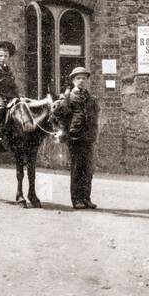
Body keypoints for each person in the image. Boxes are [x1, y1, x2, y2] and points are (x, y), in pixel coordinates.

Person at [52, 66, 99, 209]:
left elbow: (95, 115)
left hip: (88, 138)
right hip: (75, 138)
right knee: (77, 169)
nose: (81, 81)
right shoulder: (68, 97)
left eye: (84, 78)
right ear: (73, 80)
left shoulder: (90, 98)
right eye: (78, 78)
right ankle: (77, 199)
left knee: (88, 170)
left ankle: (86, 198)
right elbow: (57, 115)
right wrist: (62, 130)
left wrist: (95, 132)